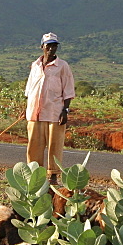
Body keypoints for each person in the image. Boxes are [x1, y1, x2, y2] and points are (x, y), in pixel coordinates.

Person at [24, 32, 75, 183]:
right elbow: (30, 89)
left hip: (54, 112)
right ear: (42, 47)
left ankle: (52, 175)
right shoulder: (35, 66)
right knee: (34, 145)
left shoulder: (62, 66)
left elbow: (68, 90)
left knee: (55, 145)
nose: (52, 49)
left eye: (54, 45)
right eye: (49, 45)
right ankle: (35, 175)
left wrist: (65, 110)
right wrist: (25, 108)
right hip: (34, 112)